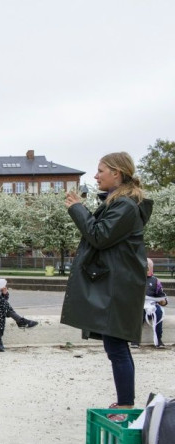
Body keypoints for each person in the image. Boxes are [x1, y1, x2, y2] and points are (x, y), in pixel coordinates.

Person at [61, 152, 153, 419]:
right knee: (114, 345)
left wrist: (77, 208)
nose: (96, 175)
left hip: (119, 285)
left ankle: (125, 405)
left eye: (101, 170)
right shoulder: (119, 203)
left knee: (117, 346)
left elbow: (99, 236)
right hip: (118, 282)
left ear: (118, 173)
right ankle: (124, 402)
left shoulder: (125, 205)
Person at [141, 258, 168, 348]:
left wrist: (163, 302)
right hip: (139, 305)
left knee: (159, 312)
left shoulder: (155, 281)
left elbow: (162, 296)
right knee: (138, 313)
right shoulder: (135, 279)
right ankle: (135, 340)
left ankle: (158, 340)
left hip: (152, 305)